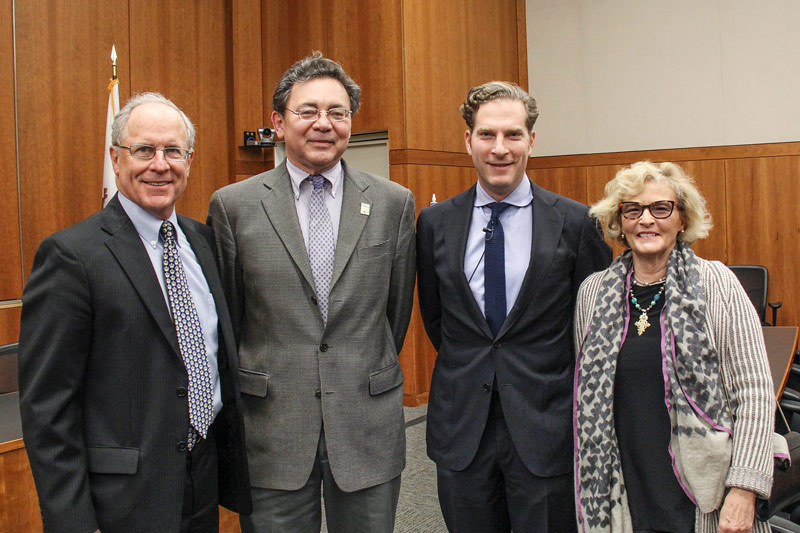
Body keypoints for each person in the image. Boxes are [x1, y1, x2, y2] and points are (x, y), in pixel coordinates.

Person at [18, 92, 251, 532]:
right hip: (123, 499)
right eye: (144, 150)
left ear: (189, 160)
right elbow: (48, 409)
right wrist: (73, 523)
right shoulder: (72, 256)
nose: (159, 165)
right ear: (116, 158)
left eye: (172, 151)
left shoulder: (202, 242)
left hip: (201, 478)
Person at [207, 52, 416, 532]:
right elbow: (230, 319)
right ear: (279, 123)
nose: (324, 123)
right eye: (308, 111)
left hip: (366, 423)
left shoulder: (393, 203)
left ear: (350, 124)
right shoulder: (234, 206)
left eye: (337, 112)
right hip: (273, 428)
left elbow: (395, 313)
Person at [416, 81, 611, 532]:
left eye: (513, 135)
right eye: (487, 134)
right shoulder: (435, 223)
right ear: (468, 141)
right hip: (462, 427)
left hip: (546, 427)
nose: (499, 148)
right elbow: (436, 318)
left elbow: (594, 327)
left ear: (531, 140)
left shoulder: (576, 222)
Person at [574, 161, 774, 533]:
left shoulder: (718, 284)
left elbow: (754, 392)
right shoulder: (593, 293)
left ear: (682, 219)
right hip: (626, 491)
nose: (646, 219)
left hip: (705, 497)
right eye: (633, 210)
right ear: (620, 221)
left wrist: (745, 488)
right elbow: (585, 400)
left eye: (660, 208)